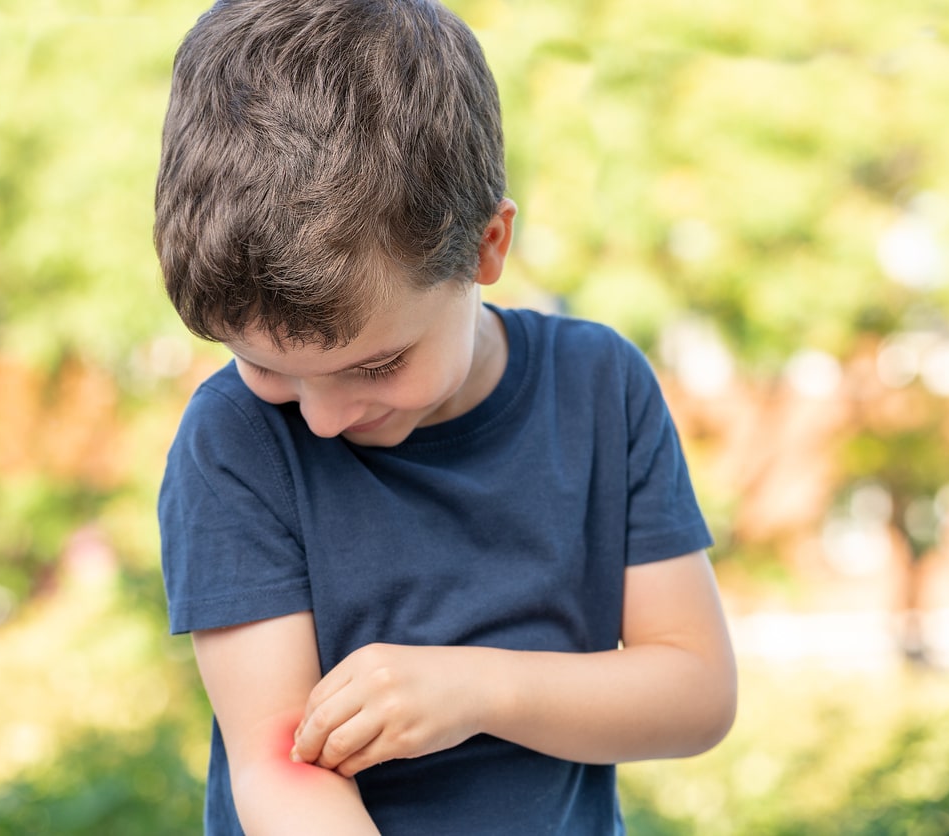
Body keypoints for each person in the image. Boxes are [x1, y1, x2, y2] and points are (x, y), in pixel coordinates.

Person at [154, 1, 737, 833]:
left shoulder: (599, 388)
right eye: (268, 368)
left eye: (376, 365)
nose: (321, 419)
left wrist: (477, 690)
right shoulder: (234, 443)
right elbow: (278, 772)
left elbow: (694, 690)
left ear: (486, 248)